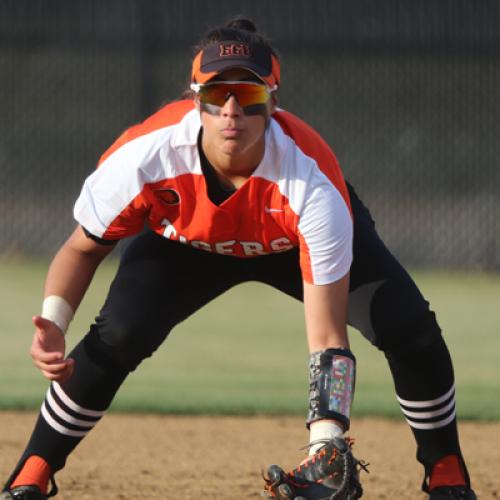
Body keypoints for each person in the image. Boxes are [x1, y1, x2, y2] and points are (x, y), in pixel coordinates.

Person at [1, 17, 476, 500]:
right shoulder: (144, 158)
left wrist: (327, 441)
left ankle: (447, 470)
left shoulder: (310, 182)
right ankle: (32, 470)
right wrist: (55, 321)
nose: (231, 112)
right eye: (216, 95)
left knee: (408, 325)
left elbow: (327, 335)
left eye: (248, 97)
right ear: (196, 101)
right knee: (119, 333)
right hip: (185, 243)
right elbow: (82, 247)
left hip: (288, 243)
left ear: (272, 102)